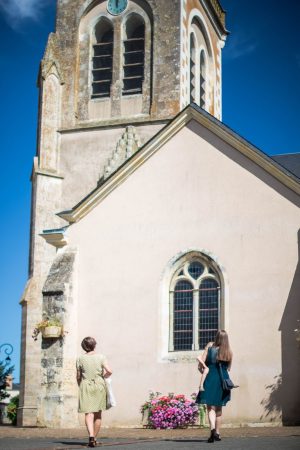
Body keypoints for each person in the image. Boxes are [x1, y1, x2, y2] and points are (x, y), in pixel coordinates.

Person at [196, 330, 233, 443]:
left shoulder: (210, 346)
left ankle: (212, 429)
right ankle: (217, 433)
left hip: (210, 378)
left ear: (216, 337)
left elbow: (200, 364)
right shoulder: (229, 352)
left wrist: (204, 368)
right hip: (222, 380)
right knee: (219, 409)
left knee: (210, 407)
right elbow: (228, 368)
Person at [76, 336, 112, 448]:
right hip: (99, 385)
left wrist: (80, 385)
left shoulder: (80, 359)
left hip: (86, 385)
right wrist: (102, 377)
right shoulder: (101, 357)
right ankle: (94, 439)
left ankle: (91, 436)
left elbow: (78, 376)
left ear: (84, 347)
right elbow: (109, 371)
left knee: (88, 413)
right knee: (98, 413)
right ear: (94, 345)